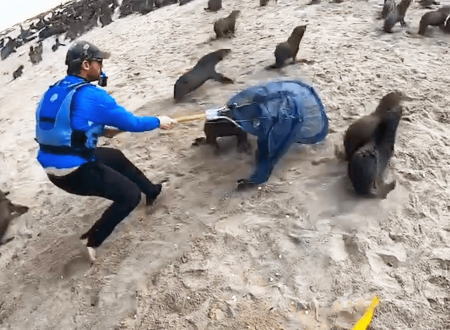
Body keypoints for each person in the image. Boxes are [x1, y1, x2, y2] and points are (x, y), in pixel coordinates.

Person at [34, 41, 177, 262]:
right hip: (74, 172)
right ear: (85, 65)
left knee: (115, 157)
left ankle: (152, 191)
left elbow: (63, 127)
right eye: (98, 62)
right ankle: (92, 239)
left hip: (55, 169)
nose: (101, 66)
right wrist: (159, 121)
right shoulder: (90, 94)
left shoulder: (53, 91)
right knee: (129, 196)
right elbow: (134, 123)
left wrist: (102, 131)